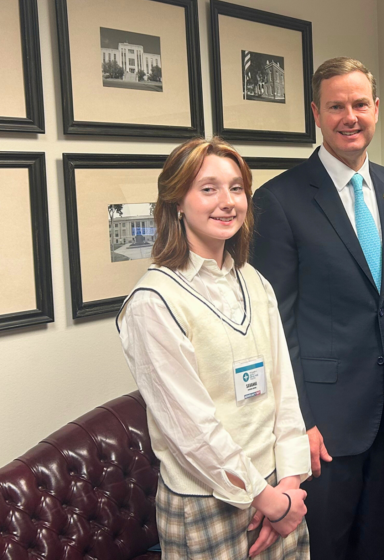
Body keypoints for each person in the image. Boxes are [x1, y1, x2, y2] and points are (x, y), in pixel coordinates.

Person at [251, 57, 384, 560]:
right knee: (329, 548)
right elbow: (277, 329)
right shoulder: (279, 200)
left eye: (360, 104)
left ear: (377, 110)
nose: (349, 116)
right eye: (336, 106)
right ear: (316, 113)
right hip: (326, 425)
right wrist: (300, 425)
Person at [117, 137, 312, 560]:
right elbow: (193, 431)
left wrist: (291, 483)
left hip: (279, 487)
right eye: (208, 189)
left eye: (237, 188)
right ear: (177, 202)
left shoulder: (253, 281)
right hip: (210, 503)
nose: (227, 202)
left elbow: (284, 390)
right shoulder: (153, 301)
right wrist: (269, 502)